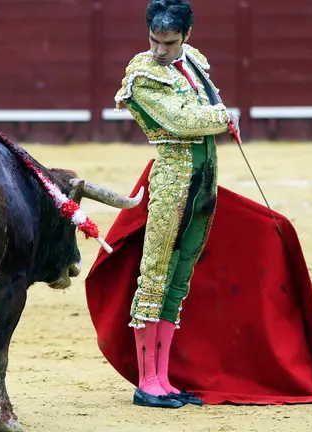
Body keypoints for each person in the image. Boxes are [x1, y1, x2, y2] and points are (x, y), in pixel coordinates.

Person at [112, 0, 240, 409]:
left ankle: (163, 380)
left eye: (169, 42)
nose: (160, 50)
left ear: (186, 36)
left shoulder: (196, 62)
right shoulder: (143, 74)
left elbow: (197, 111)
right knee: (155, 275)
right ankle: (146, 382)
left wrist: (215, 115)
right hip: (172, 182)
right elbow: (181, 121)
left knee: (179, 278)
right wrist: (224, 116)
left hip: (204, 180)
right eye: (154, 40)